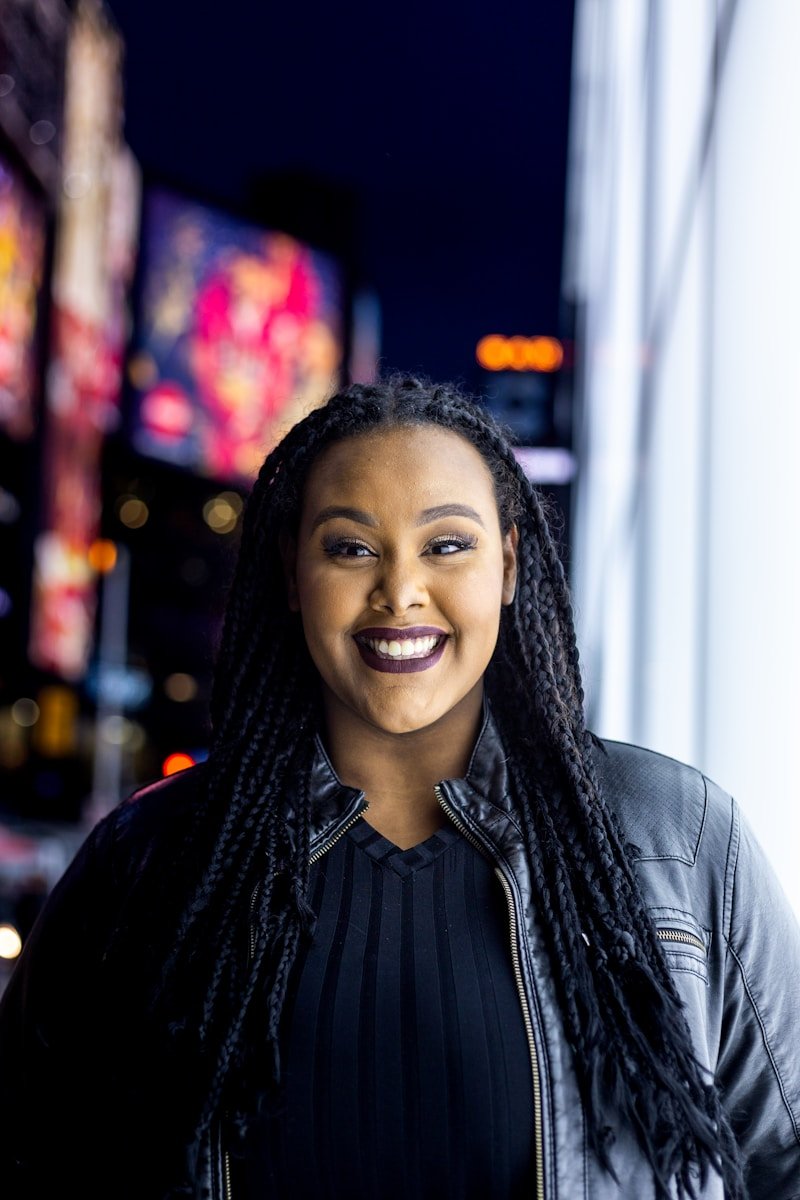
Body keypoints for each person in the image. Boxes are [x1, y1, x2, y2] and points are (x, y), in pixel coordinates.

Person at [0, 375, 798, 1199]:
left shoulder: (680, 838)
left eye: (446, 545)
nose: (401, 591)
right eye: (350, 548)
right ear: (292, 572)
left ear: (509, 563)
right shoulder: (149, 860)